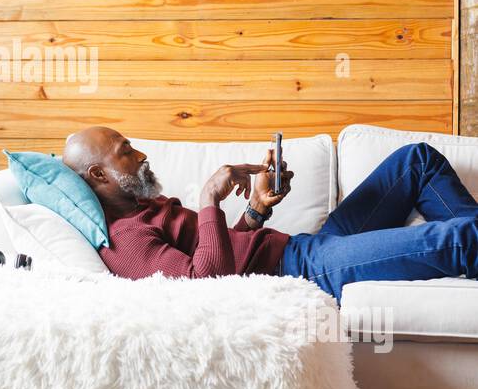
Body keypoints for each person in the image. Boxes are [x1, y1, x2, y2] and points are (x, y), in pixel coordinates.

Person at [62, 126, 478, 302]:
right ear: (99, 174)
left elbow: (223, 251)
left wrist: (256, 209)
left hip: (302, 247)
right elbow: (203, 287)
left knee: (415, 160)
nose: (141, 154)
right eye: (126, 152)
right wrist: (209, 198)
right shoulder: (125, 240)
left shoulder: (143, 205)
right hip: (297, 272)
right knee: (457, 240)